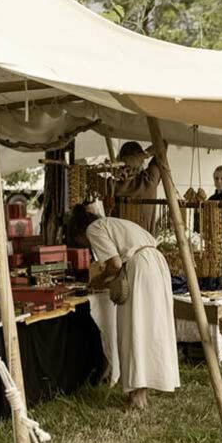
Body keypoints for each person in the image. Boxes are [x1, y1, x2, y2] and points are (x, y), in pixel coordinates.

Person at [69, 203, 179, 409]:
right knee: (150, 328)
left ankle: (136, 397)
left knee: (134, 329)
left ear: (80, 232)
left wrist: (98, 281)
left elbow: (115, 264)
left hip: (140, 268)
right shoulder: (115, 223)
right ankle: (142, 392)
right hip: (156, 264)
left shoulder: (94, 229)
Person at [115, 142, 162, 234]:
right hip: (141, 244)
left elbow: (162, 144)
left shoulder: (148, 180)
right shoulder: (149, 180)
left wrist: (138, 158)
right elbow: (162, 145)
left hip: (125, 243)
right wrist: (142, 156)